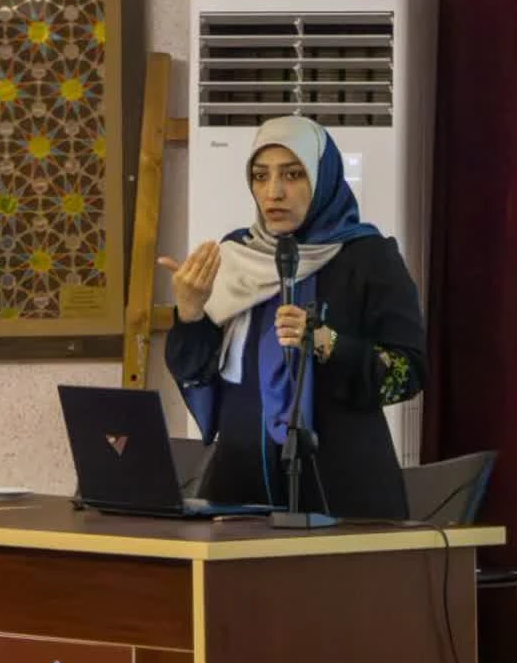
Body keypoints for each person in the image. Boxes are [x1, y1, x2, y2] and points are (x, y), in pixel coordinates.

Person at [158, 115, 425, 520]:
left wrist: (326, 343)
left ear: (323, 178)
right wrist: (191, 313)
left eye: (293, 174)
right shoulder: (235, 257)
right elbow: (196, 374)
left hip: (342, 493)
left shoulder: (369, 258)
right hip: (240, 488)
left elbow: (409, 373)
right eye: (260, 176)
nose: (274, 192)